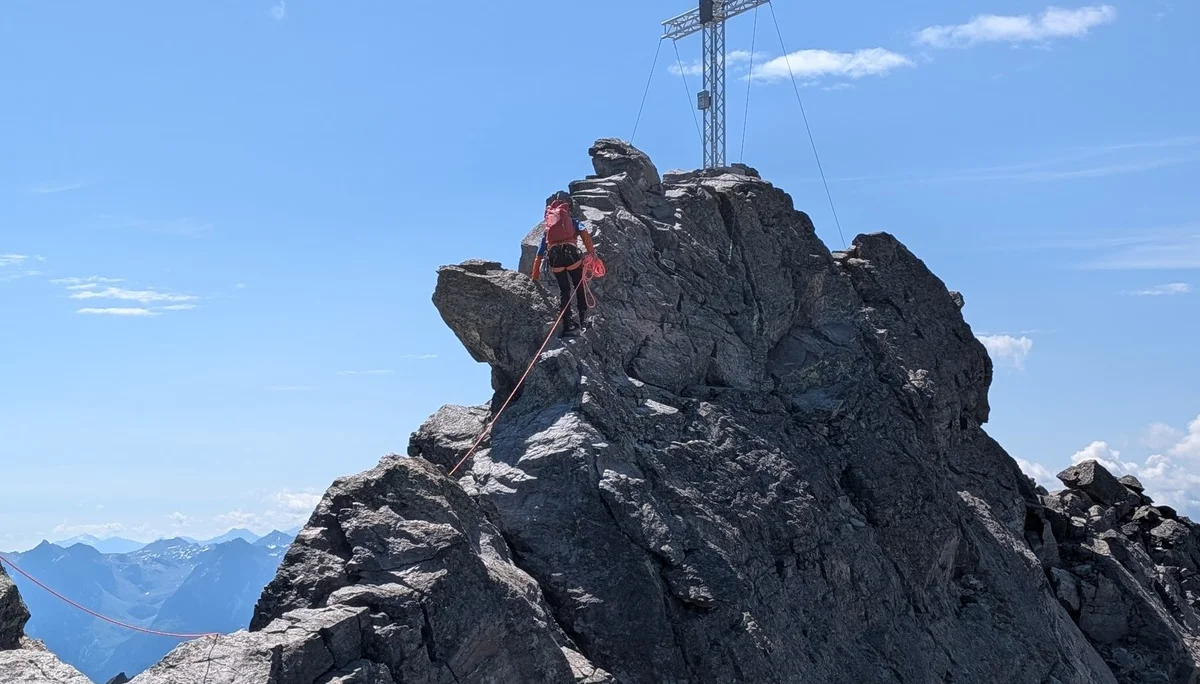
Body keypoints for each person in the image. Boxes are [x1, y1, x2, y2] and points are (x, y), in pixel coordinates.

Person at [530, 190, 596, 337]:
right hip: (572, 256)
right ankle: (583, 321)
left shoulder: (548, 231)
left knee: (564, 291)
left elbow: (539, 254)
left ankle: (568, 325)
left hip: (555, 260)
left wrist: (534, 277)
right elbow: (584, 234)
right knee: (579, 287)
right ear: (567, 211)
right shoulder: (573, 222)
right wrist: (592, 253)